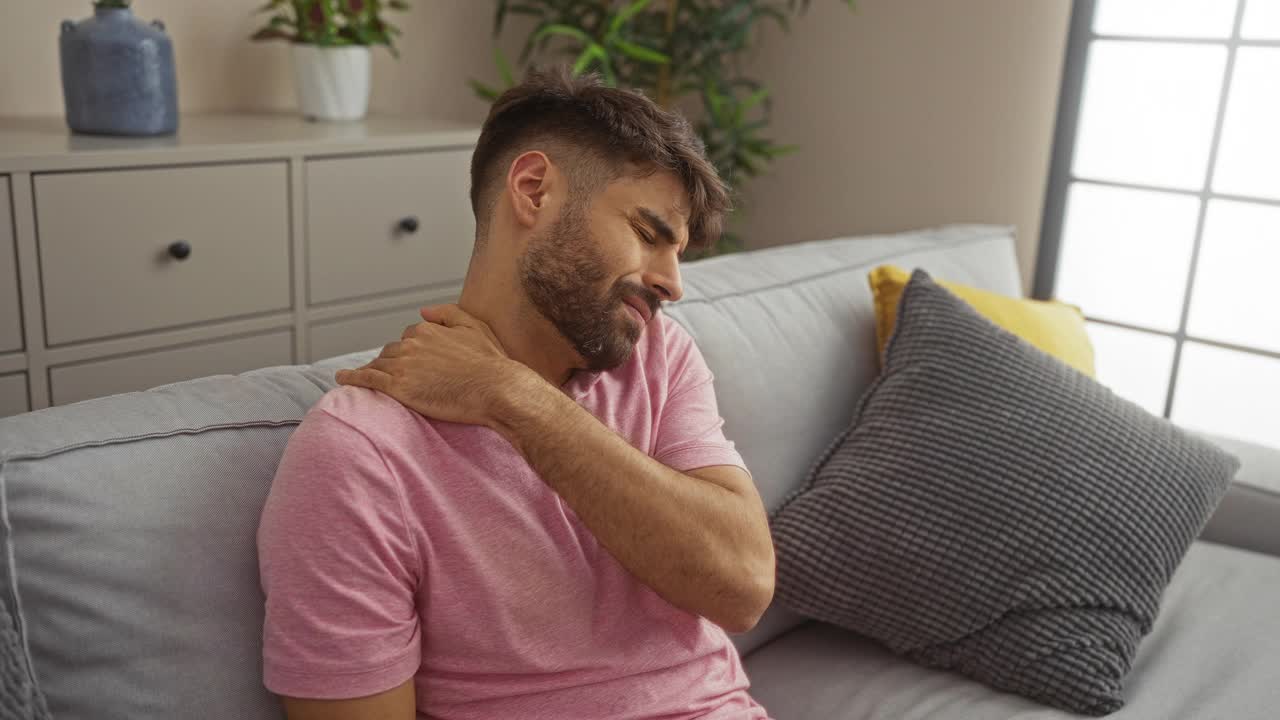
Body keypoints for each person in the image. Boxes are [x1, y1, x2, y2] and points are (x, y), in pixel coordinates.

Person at [256, 66, 776, 720]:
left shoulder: (658, 359)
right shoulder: (359, 454)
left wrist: (510, 397)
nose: (673, 284)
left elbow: (744, 588)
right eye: (649, 235)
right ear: (534, 190)